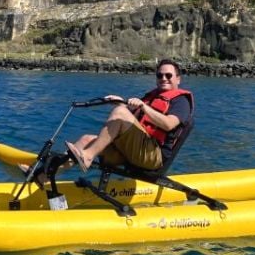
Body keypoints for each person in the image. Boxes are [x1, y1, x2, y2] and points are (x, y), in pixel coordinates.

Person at [65, 59, 193, 172]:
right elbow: (131, 120)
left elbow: (168, 124)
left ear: (178, 79)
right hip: (132, 151)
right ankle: (46, 177)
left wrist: (142, 106)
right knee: (86, 140)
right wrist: (120, 103)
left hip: (153, 156)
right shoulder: (152, 96)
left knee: (120, 113)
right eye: (160, 75)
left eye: (168, 75)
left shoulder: (181, 101)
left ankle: (87, 156)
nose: (164, 78)